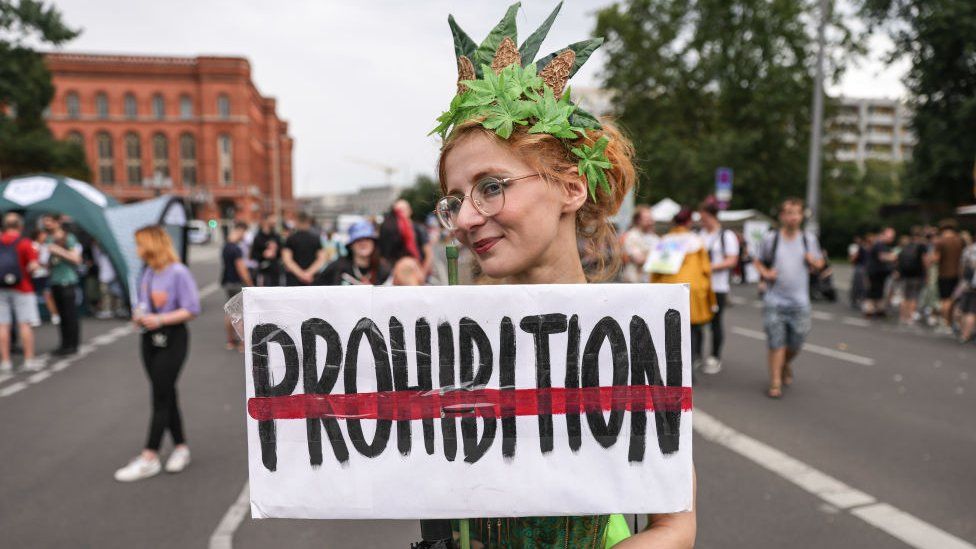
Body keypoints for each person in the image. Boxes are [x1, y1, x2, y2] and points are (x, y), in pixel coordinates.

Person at [433, 11, 696, 542]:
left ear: (571, 189)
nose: (463, 218)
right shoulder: (440, 338)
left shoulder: (629, 337)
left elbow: (674, 527)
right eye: (455, 200)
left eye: (490, 186)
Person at [114, 226, 200, 482]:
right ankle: (181, 448)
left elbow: (192, 308)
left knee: (160, 395)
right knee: (167, 393)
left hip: (173, 339)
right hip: (149, 340)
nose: (136, 250)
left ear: (152, 244)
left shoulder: (178, 272)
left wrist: (160, 318)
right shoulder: (149, 272)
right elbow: (143, 303)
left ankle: (149, 455)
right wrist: (140, 315)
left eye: (139, 244)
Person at [753, 198, 825, 399]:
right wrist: (766, 273)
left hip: (800, 302)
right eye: (789, 213)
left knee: (796, 342)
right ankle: (775, 381)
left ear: (801, 216)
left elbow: (820, 263)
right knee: (776, 342)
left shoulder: (808, 240)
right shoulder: (771, 238)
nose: (793, 217)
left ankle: (785, 364)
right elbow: (757, 260)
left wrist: (814, 262)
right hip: (774, 300)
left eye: (796, 213)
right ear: (782, 216)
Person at [650, 208, 716, 370]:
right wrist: (710, 297)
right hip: (692, 291)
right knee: (692, 331)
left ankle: (672, 369)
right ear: (689, 222)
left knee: (670, 332)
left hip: (668, 290)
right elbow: (706, 270)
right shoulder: (697, 241)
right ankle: (690, 368)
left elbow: (655, 271)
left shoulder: (664, 241)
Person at [699, 197, 738, 374]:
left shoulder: (726, 236)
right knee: (697, 322)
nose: (702, 221)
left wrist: (709, 267)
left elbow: (731, 260)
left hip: (718, 286)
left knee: (715, 323)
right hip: (700, 286)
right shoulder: (700, 235)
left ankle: (715, 357)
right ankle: (697, 355)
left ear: (713, 216)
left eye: (705, 217)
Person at [0, 213, 42, 372]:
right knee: (25, 324)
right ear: (20, 226)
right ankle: (29, 360)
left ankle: (5, 361)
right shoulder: (25, 243)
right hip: (23, 287)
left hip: (1, 288)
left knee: (3, 326)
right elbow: (34, 266)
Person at [43, 214, 83, 356]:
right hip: (55, 280)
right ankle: (64, 344)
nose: (47, 224)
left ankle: (73, 344)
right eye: (45, 222)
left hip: (68, 281)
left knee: (70, 314)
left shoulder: (68, 238)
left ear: (57, 222)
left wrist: (57, 250)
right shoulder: (48, 239)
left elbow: (76, 258)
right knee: (61, 315)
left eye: (49, 221)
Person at [317, 221, 390, 286]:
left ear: (374, 243)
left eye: (367, 239)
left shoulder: (383, 269)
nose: (363, 243)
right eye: (358, 240)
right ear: (351, 245)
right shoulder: (337, 267)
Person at [379, 200, 434, 279]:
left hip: (417, 272)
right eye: (397, 211)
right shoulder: (391, 230)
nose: (400, 213)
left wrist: (422, 274)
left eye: (403, 210)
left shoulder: (418, 229)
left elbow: (429, 254)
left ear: (410, 211)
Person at [222, 222, 253, 350]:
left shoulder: (226, 246)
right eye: (244, 233)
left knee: (230, 313)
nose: (244, 236)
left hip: (227, 282)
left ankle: (230, 341)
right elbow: (241, 268)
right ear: (239, 230)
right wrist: (250, 284)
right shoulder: (236, 248)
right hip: (237, 283)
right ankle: (242, 343)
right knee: (241, 314)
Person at [930, 219, 964, 329]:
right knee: (953, 299)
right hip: (958, 273)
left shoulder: (941, 242)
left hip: (944, 273)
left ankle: (945, 323)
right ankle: (951, 322)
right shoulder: (960, 240)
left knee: (945, 299)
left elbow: (935, 259)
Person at [281, 212, 326, 286]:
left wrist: (301, 274)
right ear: (309, 222)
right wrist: (308, 274)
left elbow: (287, 260)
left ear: (297, 221)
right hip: (312, 279)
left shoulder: (290, 239)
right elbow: (321, 259)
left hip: (294, 279)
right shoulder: (316, 239)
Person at [895, 227, 928, 325]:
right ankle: (910, 317)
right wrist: (926, 273)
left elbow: (898, 258)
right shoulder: (922, 246)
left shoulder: (906, 245)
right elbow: (924, 260)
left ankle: (902, 316)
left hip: (905, 274)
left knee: (905, 296)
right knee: (914, 297)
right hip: (917, 275)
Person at [619, 205, 659, 283]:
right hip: (635, 283)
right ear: (638, 220)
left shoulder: (654, 237)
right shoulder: (631, 236)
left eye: (651, 219)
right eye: (647, 219)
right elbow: (638, 259)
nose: (650, 222)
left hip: (650, 282)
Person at [863, 226, 896, 317]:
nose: (892, 239)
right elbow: (882, 257)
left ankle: (877, 309)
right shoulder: (880, 244)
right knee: (873, 291)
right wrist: (893, 257)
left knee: (878, 291)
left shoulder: (882, 244)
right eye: (890, 236)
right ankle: (870, 309)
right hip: (875, 272)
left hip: (880, 272)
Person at [251, 216, 282, 287]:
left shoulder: (276, 236)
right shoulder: (258, 237)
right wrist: (264, 254)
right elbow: (253, 255)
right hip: (263, 271)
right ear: (266, 221)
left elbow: (281, 253)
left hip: (275, 270)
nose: (274, 223)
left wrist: (275, 252)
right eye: (272, 221)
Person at [958, 240, 976, 343]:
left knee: (964, 309)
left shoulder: (969, 249)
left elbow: (962, 266)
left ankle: (963, 333)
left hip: (967, 283)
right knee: (972, 311)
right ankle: (967, 334)